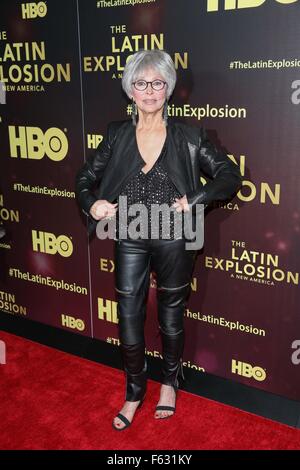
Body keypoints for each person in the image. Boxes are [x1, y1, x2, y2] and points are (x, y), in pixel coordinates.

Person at [75, 49, 242, 431]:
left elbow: (230, 176)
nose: (149, 90)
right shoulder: (117, 134)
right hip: (131, 229)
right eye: (140, 83)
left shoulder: (190, 136)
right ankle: (134, 390)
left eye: (157, 83)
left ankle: (169, 382)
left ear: (168, 89)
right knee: (128, 315)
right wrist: (93, 203)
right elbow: (85, 178)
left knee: (170, 314)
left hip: (175, 232)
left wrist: (196, 199)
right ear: (129, 90)